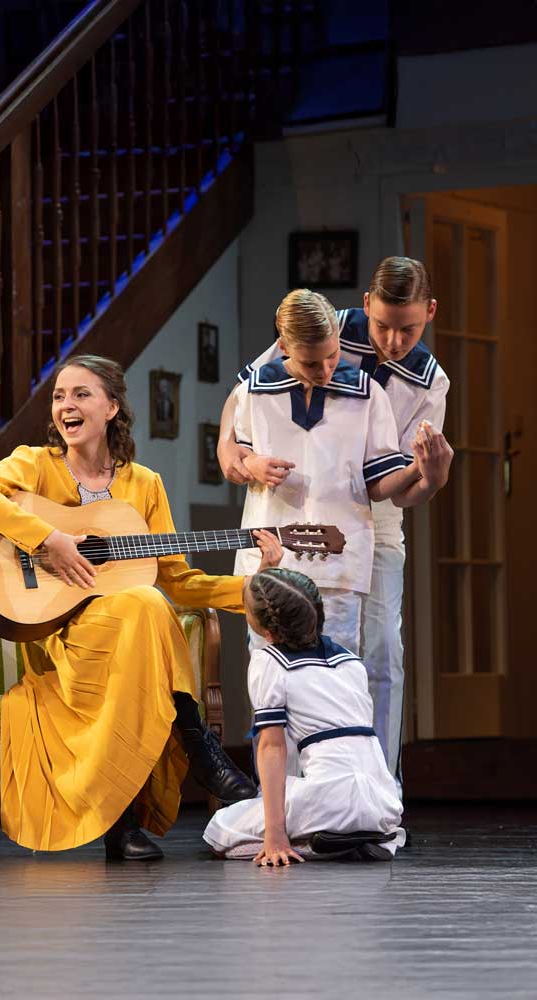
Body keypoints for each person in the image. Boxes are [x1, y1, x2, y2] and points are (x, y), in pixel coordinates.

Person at [0, 355, 283, 861]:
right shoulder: (35, 464)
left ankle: (124, 821)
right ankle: (195, 741)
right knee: (145, 608)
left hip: (130, 636)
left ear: (111, 407)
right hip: (62, 636)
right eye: (60, 395)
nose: (67, 404)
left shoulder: (144, 484)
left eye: (81, 394)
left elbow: (175, 578)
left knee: (145, 604)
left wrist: (252, 587)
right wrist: (49, 539)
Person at [219, 258, 452, 780]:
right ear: (365, 305)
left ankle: (377, 787)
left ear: (430, 314)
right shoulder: (320, 328)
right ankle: (288, 787)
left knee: (379, 653)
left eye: (409, 329)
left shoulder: (428, 382)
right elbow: (239, 407)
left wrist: (429, 474)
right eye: (383, 326)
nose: (393, 341)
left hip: (376, 507)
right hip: (295, 505)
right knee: (280, 650)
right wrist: (240, 457)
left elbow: (395, 486)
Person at [227, 288, 439, 657]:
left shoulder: (368, 394)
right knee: (268, 674)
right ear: (285, 346)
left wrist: (418, 469)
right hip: (270, 558)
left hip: (340, 560)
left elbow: (378, 484)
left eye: (332, 355)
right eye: (312, 363)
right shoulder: (254, 391)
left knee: (336, 678)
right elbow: (234, 457)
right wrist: (251, 465)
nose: (325, 370)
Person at [204, 568, 405, 864]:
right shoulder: (351, 663)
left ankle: (312, 843)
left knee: (219, 830)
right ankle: (355, 836)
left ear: (268, 632)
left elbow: (272, 747)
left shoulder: (269, 662)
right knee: (304, 796)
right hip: (381, 801)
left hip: (330, 799)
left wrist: (274, 835)